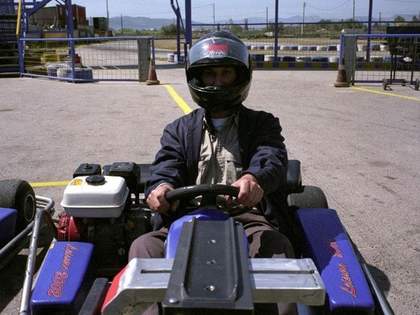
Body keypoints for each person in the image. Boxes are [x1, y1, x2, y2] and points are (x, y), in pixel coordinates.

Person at [129, 31, 296, 315]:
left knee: (276, 247)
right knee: (143, 247)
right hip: (185, 217)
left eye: (226, 73)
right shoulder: (179, 129)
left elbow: (272, 157)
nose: (218, 82)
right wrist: (161, 186)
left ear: (240, 77)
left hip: (245, 218)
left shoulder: (262, 123)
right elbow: (167, 165)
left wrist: (254, 179)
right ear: (198, 79)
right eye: (210, 75)